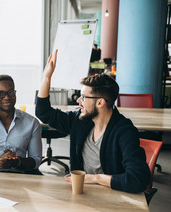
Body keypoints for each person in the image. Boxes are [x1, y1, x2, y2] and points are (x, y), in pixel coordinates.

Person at [36, 50, 151, 193]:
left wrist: (96, 178)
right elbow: (43, 113)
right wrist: (46, 77)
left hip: (113, 195)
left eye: (84, 97)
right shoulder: (80, 120)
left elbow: (138, 179)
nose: (79, 101)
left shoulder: (124, 131)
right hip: (82, 192)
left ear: (100, 102)